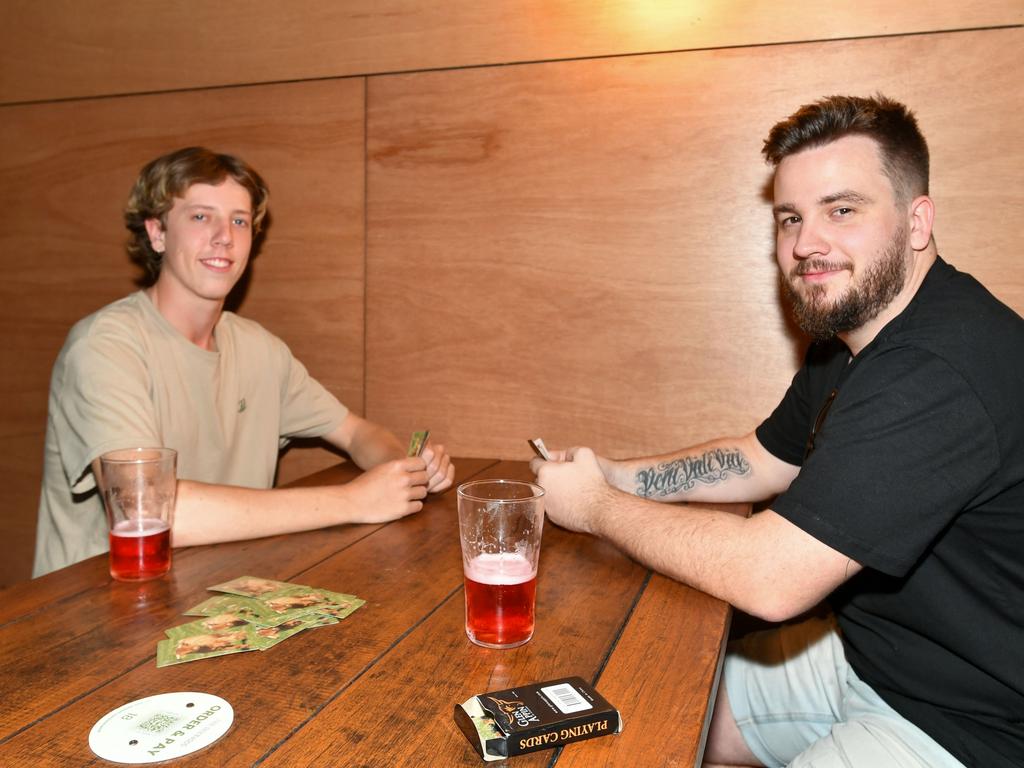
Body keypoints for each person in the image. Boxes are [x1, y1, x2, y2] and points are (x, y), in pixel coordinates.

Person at [531, 95, 1023, 767]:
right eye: (791, 217)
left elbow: (770, 577)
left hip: (970, 726)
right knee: (648, 708)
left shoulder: (938, 367)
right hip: (869, 662)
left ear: (917, 221)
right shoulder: (850, 334)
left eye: (841, 210)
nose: (805, 245)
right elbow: (760, 459)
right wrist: (614, 473)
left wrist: (594, 506)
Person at [34, 146, 454, 577]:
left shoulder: (258, 349)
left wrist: (402, 471)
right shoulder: (103, 346)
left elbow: (357, 432)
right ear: (157, 233)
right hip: (93, 616)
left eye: (239, 220)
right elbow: (148, 511)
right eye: (201, 217)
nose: (224, 237)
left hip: (223, 602)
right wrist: (353, 501)